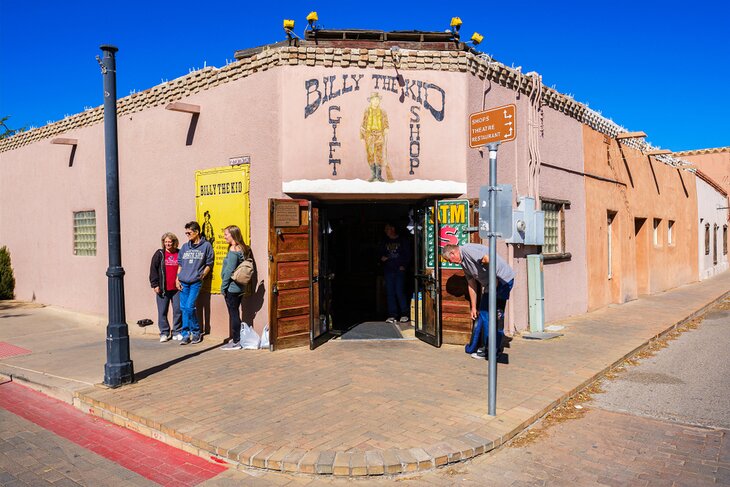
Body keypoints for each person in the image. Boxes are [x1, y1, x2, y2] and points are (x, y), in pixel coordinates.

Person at [442, 243, 515, 359]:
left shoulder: (468, 251)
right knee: (486, 314)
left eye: (449, 260)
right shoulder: (463, 263)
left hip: (502, 281)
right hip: (492, 284)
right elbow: (471, 284)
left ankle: (490, 350)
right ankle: (491, 348)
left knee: (494, 316)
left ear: (452, 253)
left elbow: (488, 259)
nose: (451, 263)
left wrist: (495, 282)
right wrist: (474, 307)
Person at [176, 221, 214, 345]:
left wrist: (202, 275)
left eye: (189, 232)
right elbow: (180, 264)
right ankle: (185, 334)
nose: (187, 235)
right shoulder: (185, 247)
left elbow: (209, 263)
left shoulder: (206, 246)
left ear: (197, 232)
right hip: (183, 282)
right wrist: (177, 279)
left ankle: (196, 332)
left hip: (195, 282)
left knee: (189, 306)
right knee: (184, 308)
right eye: (186, 233)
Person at [219, 225, 251, 350]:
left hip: (231, 288)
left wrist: (223, 287)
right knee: (235, 312)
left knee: (233, 314)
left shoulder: (233, 250)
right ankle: (237, 338)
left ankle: (236, 341)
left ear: (233, 235)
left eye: (226, 234)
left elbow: (228, 271)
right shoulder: (243, 248)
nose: (225, 236)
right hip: (240, 287)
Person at [148, 232, 182, 342]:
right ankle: (164, 332)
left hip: (176, 288)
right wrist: (155, 284)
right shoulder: (159, 254)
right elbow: (153, 270)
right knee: (162, 311)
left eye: (170, 242)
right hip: (163, 288)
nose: (168, 244)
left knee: (178, 310)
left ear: (174, 242)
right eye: (166, 242)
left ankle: (177, 331)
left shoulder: (179, 253)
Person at [380, 223, 411, 324]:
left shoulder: (402, 241)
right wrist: (382, 258)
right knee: (390, 292)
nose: (386, 231)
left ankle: (404, 313)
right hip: (388, 269)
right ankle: (392, 315)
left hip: (399, 269)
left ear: (393, 229)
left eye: (387, 229)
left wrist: (404, 265)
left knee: (399, 291)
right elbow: (379, 253)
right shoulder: (384, 241)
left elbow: (408, 254)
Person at [360, 92, 390, 182]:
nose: (376, 101)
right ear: (371, 101)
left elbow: (386, 123)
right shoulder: (367, 111)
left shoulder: (382, 112)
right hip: (369, 135)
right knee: (370, 155)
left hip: (379, 135)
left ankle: (379, 175)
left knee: (379, 155)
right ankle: (373, 175)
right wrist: (362, 136)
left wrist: (386, 128)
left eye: (377, 99)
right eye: (374, 100)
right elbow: (363, 123)